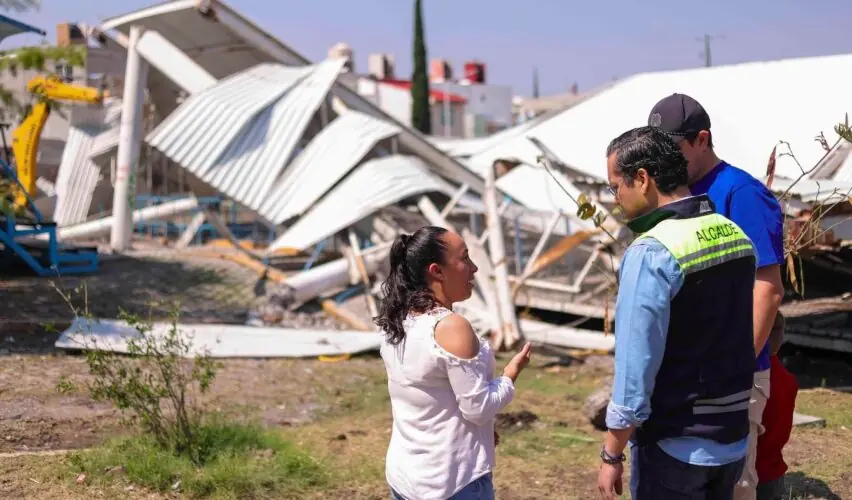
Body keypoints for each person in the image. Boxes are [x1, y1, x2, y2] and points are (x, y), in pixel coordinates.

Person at [597, 126, 757, 500]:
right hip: (732, 439)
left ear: (642, 179)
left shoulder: (652, 252)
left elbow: (635, 370)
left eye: (615, 186)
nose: (615, 198)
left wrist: (612, 452)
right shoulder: (734, 233)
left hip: (675, 447)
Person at [648, 93, 786, 500]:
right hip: (688, 374)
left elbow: (768, 286)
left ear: (702, 139)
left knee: (733, 486)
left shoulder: (740, 194)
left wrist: (739, 365)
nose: (662, 163)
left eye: (671, 150)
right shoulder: (675, 195)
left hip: (732, 376)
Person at [374, 226, 533, 500]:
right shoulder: (451, 327)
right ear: (437, 271)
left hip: (406, 475)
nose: (474, 269)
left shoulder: (398, 319)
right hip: (452, 483)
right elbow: (478, 408)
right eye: (465, 259)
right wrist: (509, 375)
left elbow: (434, 399)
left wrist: (481, 434)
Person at [756, 313, 798, 500]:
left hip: (745, 470)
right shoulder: (788, 381)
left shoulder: (743, 375)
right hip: (772, 472)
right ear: (781, 336)